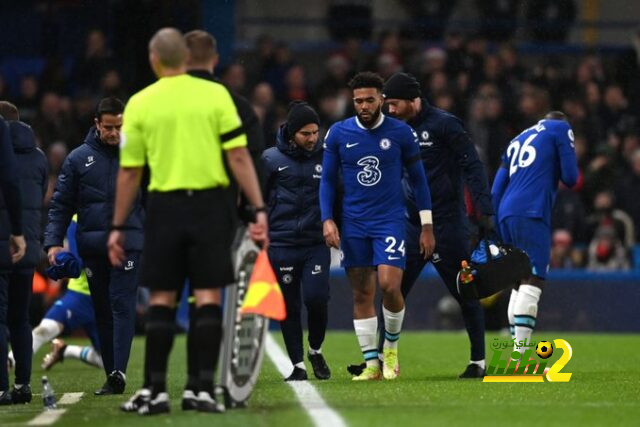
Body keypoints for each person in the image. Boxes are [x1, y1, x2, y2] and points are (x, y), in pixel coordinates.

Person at [107, 28, 267, 415]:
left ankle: (156, 390)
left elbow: (130, 173)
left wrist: (117, 226)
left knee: (162, 298)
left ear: (155, 59)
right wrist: (258, 209)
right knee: (208, 297)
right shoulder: (217, 96)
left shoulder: (142, 103)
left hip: (164, 208)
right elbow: (240, 157)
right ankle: (201, 389)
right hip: (212, 208)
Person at [320, 71, 434, 381]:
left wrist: (427, 225)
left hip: (390, 221)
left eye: (370, 100)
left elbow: (420, 181)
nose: (364, 106)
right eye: (359, 101)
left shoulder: (401, 134)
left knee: (389, 285)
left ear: (381, 99)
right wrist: (327, 219)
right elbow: (328, 180)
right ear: (352, 101)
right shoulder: (338, 134)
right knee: (361, 294)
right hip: (354, 224)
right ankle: (371, 364)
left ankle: (391, 350)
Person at [380, 72, 494, 378]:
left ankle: (478, 361)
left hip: (447, 225)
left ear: (411, 99)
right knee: (393, 290)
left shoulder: (445, 124)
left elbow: (472, 164)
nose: (389, 110)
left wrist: (485, 210)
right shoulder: (393, 129)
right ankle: (380, 360)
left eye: (393, 104)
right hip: (409, 225)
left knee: (464, 291)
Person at [44, 97, 143, 395]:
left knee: (121, 304)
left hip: (129, 242)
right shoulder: (77, 159)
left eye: (120, 127)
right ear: (97, 125)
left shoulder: (139, 156)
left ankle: (117, 372)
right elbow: (61, 204)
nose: (114, 133)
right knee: (102, 309)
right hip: (92, 246)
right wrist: (52, 243)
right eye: (109, 127)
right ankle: (113, 374)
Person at [491, 111, 578, 356]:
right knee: (533, 278)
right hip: (532, 210)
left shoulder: (517, 138)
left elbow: (496, 191)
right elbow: (571, 178)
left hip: (506, 213)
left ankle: (516, 355)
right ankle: (521, 357)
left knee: (518, 281)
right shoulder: (559, 128)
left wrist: (497, 225)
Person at [262, 102, 331, 381]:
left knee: (316, 299)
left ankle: (315, 349)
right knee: (289, 306)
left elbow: (336, 194)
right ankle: (297, 365)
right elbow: (258, 200)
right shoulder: (269, 160)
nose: (312, 138)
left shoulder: (326, 158)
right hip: (281, 243)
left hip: (315, 243)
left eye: (315, 132)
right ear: (292, 133)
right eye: (306, 133)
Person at [0, 102, 47, 404]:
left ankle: (1, 387)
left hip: (3, 245)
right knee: (20, 319)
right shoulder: (39, 158)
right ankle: (23, 385)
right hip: (28, 246)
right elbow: (40, 194)